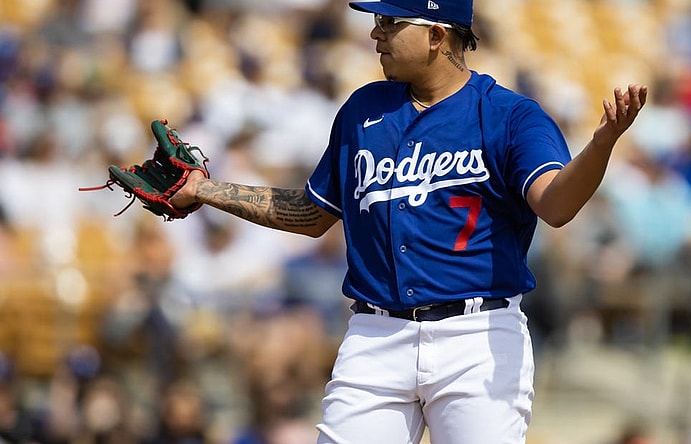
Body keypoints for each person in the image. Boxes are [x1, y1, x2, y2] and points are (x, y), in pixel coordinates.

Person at [170, 0, 648, 442]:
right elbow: (313, 213)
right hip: (376, 336)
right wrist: (204, 190)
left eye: (390, 22)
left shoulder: (509, 115)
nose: (376, 33)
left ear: (437, 35)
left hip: (477, 338)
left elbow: (556, 205)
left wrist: (601, 145)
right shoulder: (363, 110)